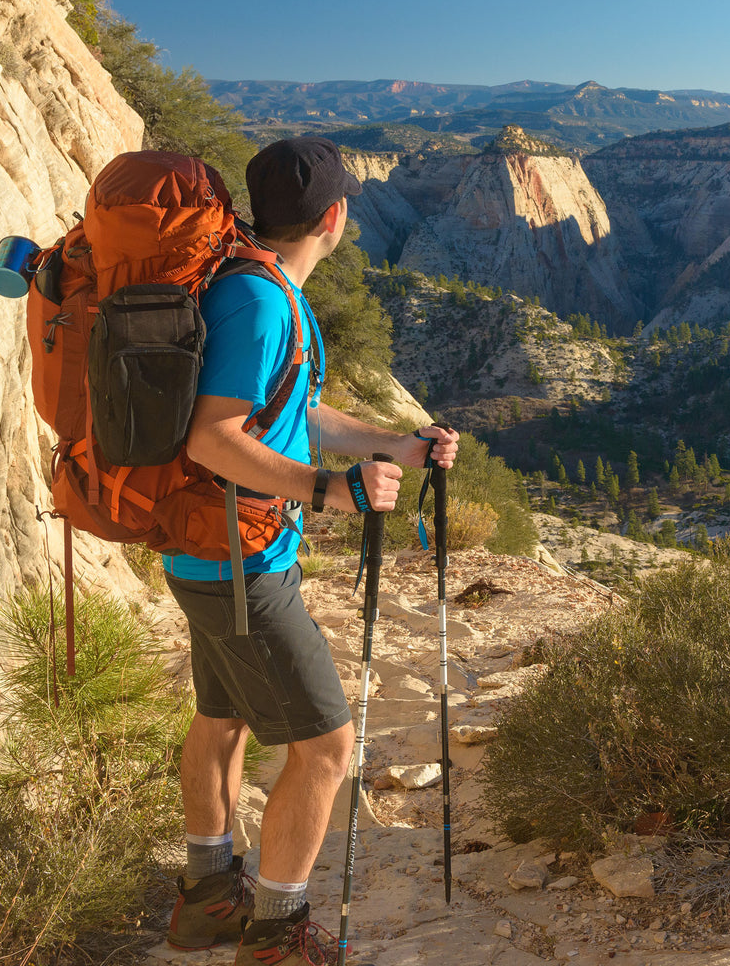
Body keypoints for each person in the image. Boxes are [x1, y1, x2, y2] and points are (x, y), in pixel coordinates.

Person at [163, 136, 459, 964]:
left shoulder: (258, 287)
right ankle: (276, 936)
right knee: (326, 747)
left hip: (209, 554)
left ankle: (207, 900)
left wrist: (397, 444)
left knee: (220, 722)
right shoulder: (260, 304)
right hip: (243, 565)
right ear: (333, 218)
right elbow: (212, 439)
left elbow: (296, 413)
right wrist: (330, 493)